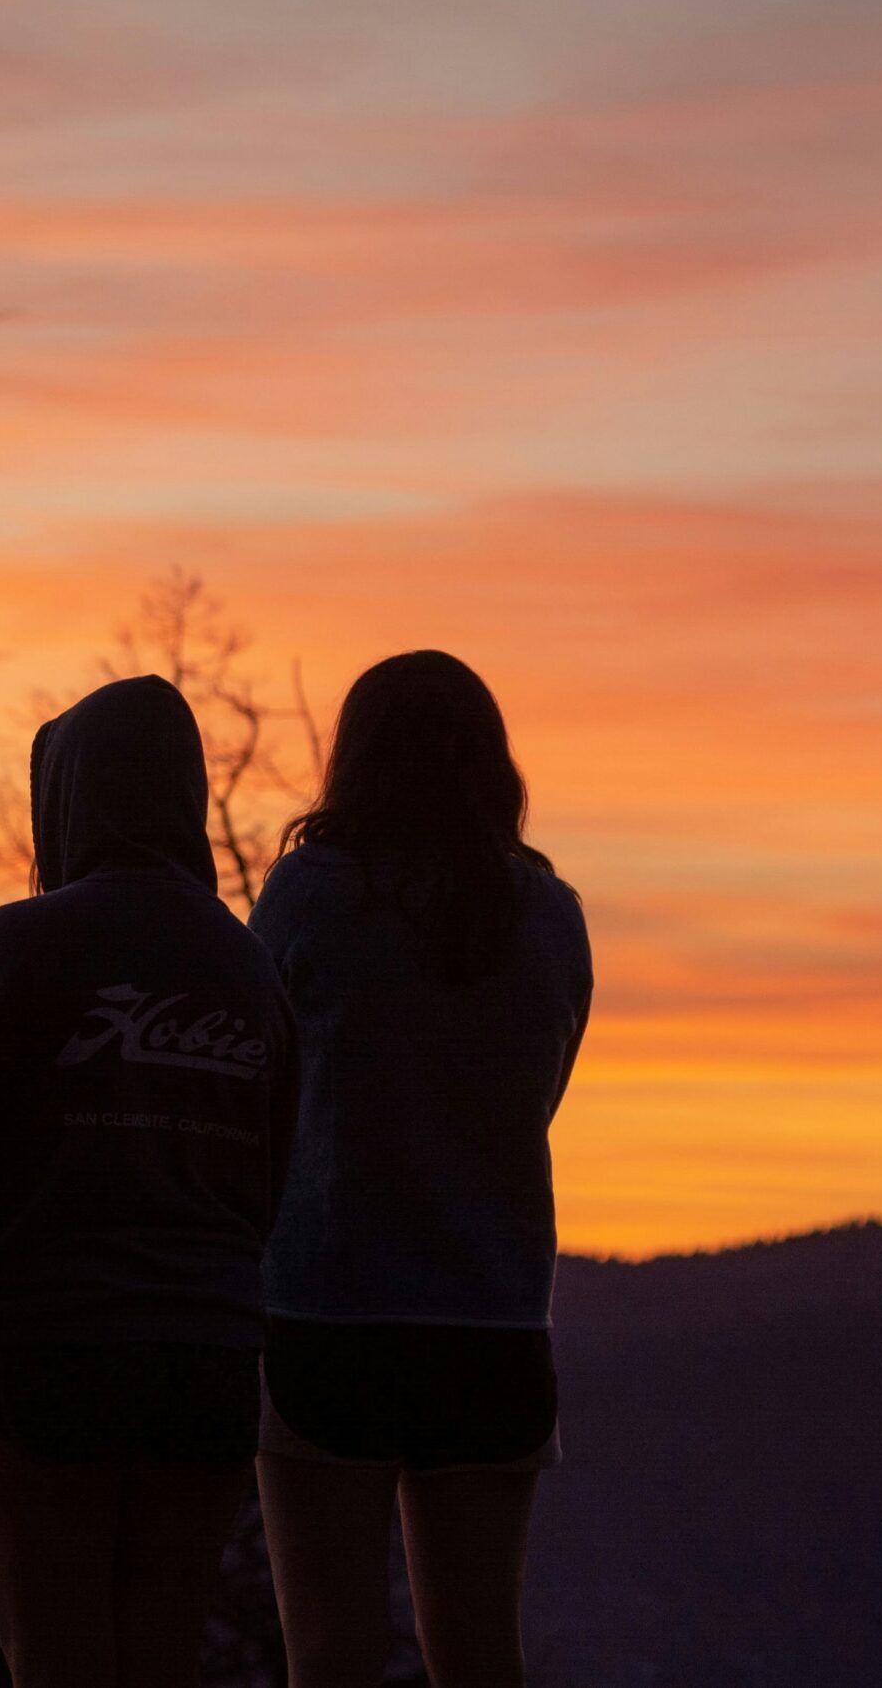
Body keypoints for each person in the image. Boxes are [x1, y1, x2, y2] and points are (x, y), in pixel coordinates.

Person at [249, 651, 591, 1688]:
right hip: (492, 1318)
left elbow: (257, 1073)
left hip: (326, 1313)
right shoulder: (547, 913)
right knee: (482, 1657)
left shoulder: (309, 897)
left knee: (328, 1656)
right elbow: (541, 1088)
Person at [0, 674, 298, 1688]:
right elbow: (272, 1172)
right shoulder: (247, 966)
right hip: (206, 1358)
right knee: (160, 1654)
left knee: (51, 1652)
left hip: (45, 1348)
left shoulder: (12, 948)